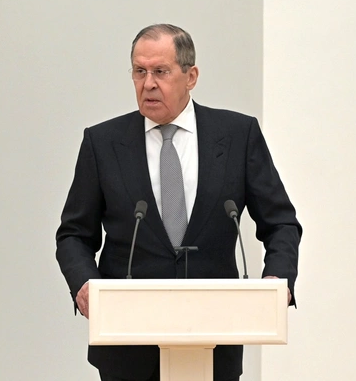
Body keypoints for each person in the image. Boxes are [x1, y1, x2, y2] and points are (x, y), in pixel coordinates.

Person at [55, 24, 302, 381]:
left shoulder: (237, 135)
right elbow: (74, 235)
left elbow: (281, 223)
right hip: (127, 344)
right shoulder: (103, 142)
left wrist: (278, 279)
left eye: (161, 71)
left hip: (214, 336)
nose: (148, 83)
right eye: (139, 71)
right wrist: (84, 283)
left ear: (191, 76)